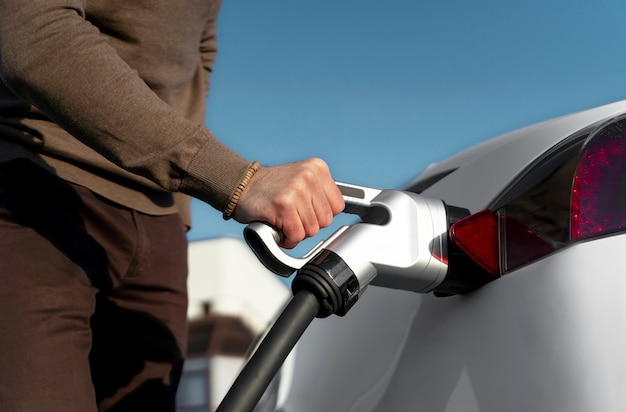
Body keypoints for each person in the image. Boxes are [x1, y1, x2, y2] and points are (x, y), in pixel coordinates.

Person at [0, 1, 345, 411]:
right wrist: (237, 179)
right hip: (37, 194)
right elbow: (33, 32)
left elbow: (198, 60)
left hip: (160, 225)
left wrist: (177, 210)